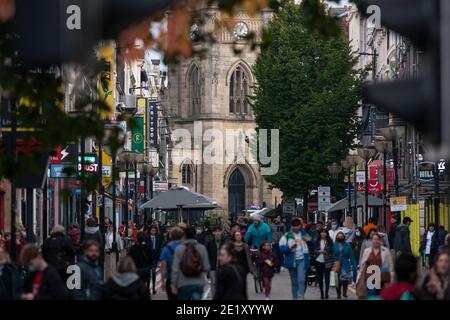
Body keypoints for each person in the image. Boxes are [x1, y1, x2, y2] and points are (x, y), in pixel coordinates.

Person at [171, 227, 210, 300]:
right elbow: (206, 267)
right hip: (198, 283)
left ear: (184, 236)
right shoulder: (202, 248)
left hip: (183, 283)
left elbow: (175, 269)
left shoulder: (179, 249)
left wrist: (173, 284)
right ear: (195, 235)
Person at [279, 218, 310, 300]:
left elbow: (312, 244)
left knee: (301, 280)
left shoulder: (304, 234)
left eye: (297, 225)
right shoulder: (287, 235)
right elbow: (281, 249)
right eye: (294, 226)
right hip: (291, 261)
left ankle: (301, 297)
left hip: (302, 260)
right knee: (294, 282)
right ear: (291, 226)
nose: (296, 227)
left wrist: (309, 240)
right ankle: (295, 298)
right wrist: (289, 248)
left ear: (300, 226)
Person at [358, 233, 394, 297]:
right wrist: (359, 277)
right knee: (372, 295)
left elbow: (390, 266)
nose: (376, 241)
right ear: (372, 240)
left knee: (381, 295)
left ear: (380, 241)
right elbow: (362, 265)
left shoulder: (386, 251)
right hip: (370, 278)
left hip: (382, 278)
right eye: (374, 239)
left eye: (378, 239)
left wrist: (391, 278)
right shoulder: (367, 251)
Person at [160, 227, 184, 300]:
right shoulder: (185, 247)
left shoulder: (166, 249)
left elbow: (163, 267)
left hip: (170, 279)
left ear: (171, 236)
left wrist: (162, 281)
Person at [333, 231, 357, 299]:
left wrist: (354, 265)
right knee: (337, 280)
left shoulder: (347, 246)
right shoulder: (334, 245)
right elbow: (331, 254)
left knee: (345, 280)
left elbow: (351, 256)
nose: (340, 237)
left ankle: (344, 292)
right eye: (339, 236)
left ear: (344, 237)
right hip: (336, 263)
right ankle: (338, 294)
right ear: (336, 237)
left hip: (345, 264)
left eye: (341, 236)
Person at [314, 228, 335, 299]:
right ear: (320, 233)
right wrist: (318, 251)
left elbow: (332, 251)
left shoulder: (330, 241)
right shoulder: (316, 241)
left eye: (325, 232)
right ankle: (322, 293)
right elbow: (314, 250)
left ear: (327, 233)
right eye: (322, 232)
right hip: (318, 261)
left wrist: (325, 251)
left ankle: (326, 292)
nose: (323, 234)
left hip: (328, 262)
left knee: (327, 278)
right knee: (320, 278)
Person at [206, 226, 224, 297]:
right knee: (213, 283)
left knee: (222, 283)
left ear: (221, 232)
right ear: (213, 233)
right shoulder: (210, 243)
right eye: (216, 231)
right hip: (213, 266)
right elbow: (207, 255)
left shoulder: (224, 242)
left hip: (222, 266)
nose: (217, 233)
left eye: (219, 231)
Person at [146, 225, 162, 294]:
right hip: (148, 257)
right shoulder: (147, 238)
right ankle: (147, 288)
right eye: (152, 230)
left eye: (154, 230)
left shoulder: (158, 238)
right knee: (148, 273)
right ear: (150, 230)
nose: (153, 231)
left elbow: (161, 246)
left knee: (153, 272)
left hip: (155, 257)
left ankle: (153, 288)